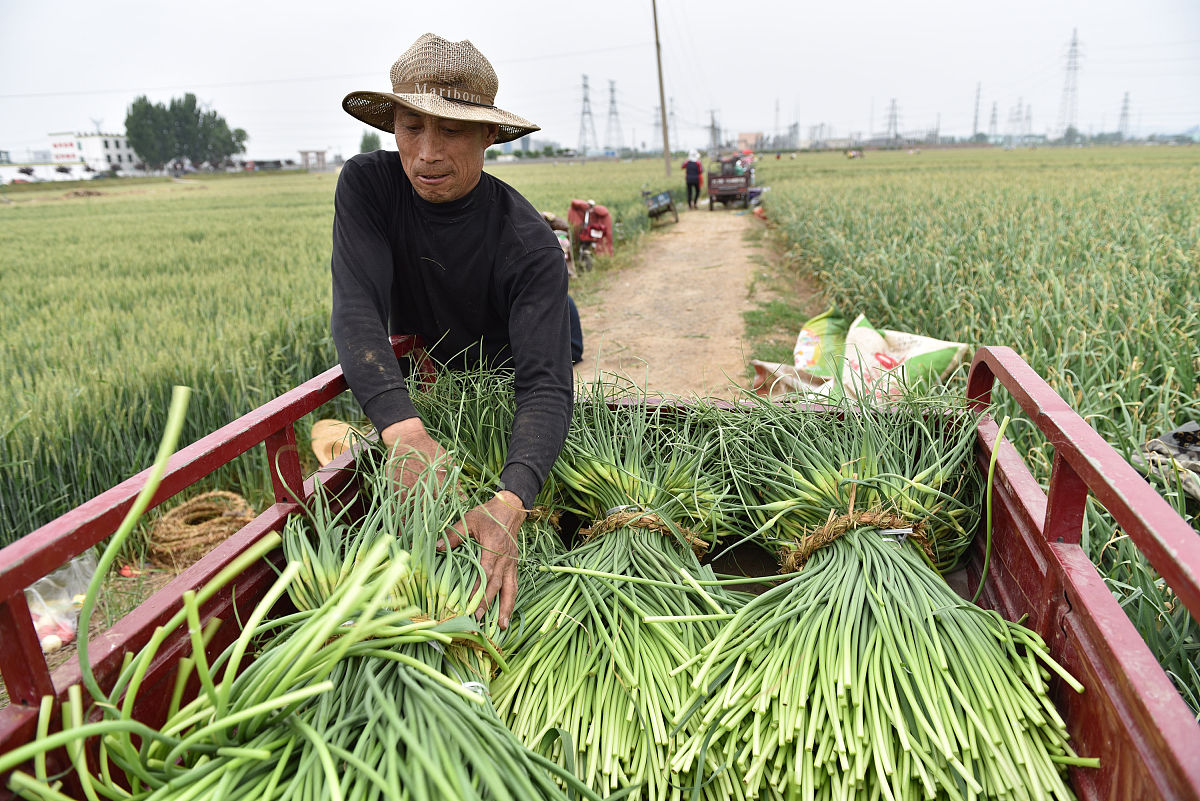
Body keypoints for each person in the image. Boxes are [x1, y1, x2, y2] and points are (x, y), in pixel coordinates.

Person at [332, 33, 575, 630]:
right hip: (432, 386)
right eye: (411, 127)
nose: (427, 153)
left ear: (488, 133)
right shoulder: (369, 186)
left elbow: (545, 385)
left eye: (452, 131)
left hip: (510, 380)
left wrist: (512, 499)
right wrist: (403, 429)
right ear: (392, 126)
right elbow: (357, 309)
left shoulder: (530, 246)